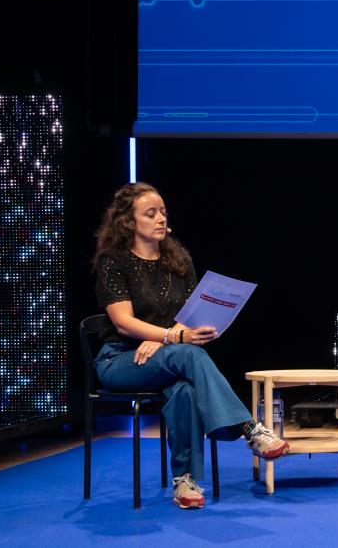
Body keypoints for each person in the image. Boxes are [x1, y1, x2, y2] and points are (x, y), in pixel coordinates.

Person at [91, 183, 288, 509]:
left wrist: (165, 341)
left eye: (163, 212)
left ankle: (184, 482)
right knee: (189, 353)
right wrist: (168, 338)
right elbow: (124, 322)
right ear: (129, 222)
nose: (160, 219)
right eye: (150, 213)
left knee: (183, 387)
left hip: (166, 356)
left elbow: (188, 316)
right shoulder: (114, 262)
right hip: (120, 359)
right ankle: (250, 429)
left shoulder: (178, 260)